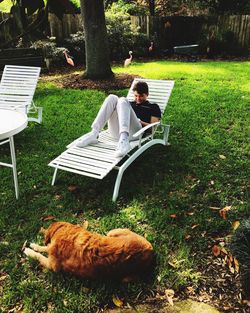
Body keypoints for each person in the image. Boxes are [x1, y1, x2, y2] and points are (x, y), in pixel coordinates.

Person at [76, 81, 161, 157]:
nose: (138, 99)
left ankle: (124, 139)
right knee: (112, 97)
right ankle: (94, 133)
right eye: (136, 96)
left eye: (141, 96)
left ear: (147, 94)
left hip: (136, 133)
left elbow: (153, 128)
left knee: (122, 100)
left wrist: (140, 121)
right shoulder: (129, 104)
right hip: (116, 133)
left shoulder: (153, 107)